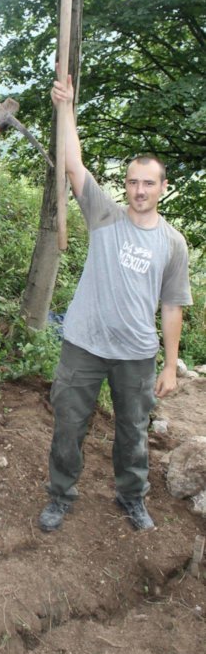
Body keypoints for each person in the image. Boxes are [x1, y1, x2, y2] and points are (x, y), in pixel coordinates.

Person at [39, 77, 192, 534]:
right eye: (132, 182)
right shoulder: (104, 216)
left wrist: (169, 365)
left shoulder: (173, 243)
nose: (139, 190)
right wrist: (66, 108)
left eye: (148, 183)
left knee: (133, 433)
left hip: (136, 354)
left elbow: (171, 306)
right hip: (83, 344)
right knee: (69, 425)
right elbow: (73, 165)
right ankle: (60, 496)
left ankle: (132, 497)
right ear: (124, 186)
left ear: (163, 187)